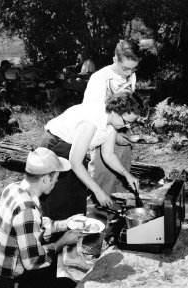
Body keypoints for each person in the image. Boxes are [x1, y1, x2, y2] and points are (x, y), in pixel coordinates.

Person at [40, 91, 142, 270]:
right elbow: (74, 162)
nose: (129, 125)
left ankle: (71, 256)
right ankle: (53, 262)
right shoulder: (91, 123)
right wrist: (98, 191)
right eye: (127, 121)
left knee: (77, 207)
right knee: (59, 207)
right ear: (115, 111)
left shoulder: (111, 122)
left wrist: (127, 174)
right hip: (57, 147)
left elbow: (108, 154)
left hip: (74, 151)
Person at [0, 147, 83, 288]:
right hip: (4, 284)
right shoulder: (27, 208)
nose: (56, 183)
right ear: (46, 178)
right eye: (56, 179)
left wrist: (66, 224)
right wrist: (64, 241)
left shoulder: (14, 189)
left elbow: (36, 226)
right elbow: (33, 261)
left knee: (53, 265)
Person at [81, 39, 143, 258]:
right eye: (125, 67)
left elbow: (126, 110)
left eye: (133, 68)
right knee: (101, 195)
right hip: (100, 143)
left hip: (119, 142)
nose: (128, 73)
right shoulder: (99, 79)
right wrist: (113, 137)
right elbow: (95, 117)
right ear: (114, 59)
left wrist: (126, 134)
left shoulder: (130, 76)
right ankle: (90, 248)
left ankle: (114, 234)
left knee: (121, 189)